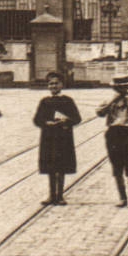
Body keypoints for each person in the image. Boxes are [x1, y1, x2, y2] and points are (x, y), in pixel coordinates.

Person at [95, 76, 128, 207]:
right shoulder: (110, 99)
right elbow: (100, 112)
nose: (122, 90)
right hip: (114, 134)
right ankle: (122, 197)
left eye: (124, 87)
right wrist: (113, 101)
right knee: (117, 166)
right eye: (119, 87)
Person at [32, 71, 81, 205]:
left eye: (56, 83)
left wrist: (65, 121)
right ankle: (51, 195)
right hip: (48, 137)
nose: (53, 86)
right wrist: (46, 123)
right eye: (51, 84)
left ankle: (60, 195)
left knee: (61, 166)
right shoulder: (44, 101)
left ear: (62, 85)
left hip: (63, 137)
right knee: (50, 167)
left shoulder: (67, 101)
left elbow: (77, 118)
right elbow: (37, 120)